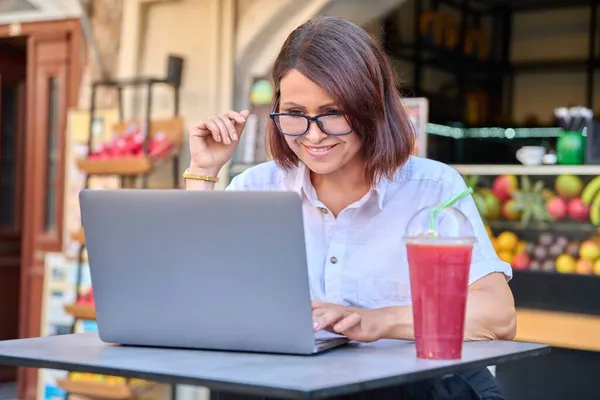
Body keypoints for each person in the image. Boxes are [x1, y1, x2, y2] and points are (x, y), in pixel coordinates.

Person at [185, 16, 515, 400]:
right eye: (294, 113)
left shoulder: (432, 189)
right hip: (294, 386)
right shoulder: (257, 189)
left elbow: (498, 316)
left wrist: (380, 321)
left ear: (370, 107)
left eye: (332, 113)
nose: (313, 134)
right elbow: (195, 297)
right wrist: (204, 171)